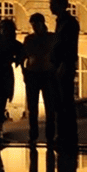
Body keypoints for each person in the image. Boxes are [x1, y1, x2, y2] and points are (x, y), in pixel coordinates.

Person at [49, 0, 80, 148]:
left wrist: (63, 64)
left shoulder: (69, 23)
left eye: (52, 4)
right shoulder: (62, 22)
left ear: (60, 5)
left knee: (65, 102)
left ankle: (67, 136)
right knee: (61, 103)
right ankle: (63, 135)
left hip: (64, 66)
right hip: (60, 65)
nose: (50, 7)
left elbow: (69, 46)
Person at [22, 13, 56, 144]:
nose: (35, 27)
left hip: (47, 74)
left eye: (36, 24)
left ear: (42, 23)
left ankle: (50, 135)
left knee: (50, 108)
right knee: (32, 108)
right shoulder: (29, 39)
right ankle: (34, 135)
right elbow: (23, 56)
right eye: (33, 25)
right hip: (33, 74)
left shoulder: (51, 38)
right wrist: (25, 72)